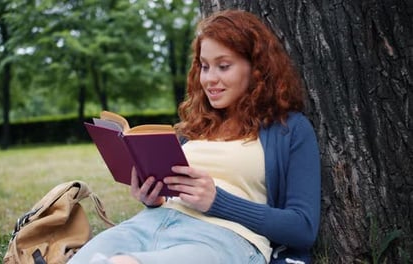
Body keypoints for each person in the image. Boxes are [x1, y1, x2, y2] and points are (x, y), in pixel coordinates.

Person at [68, 9, 321, 264]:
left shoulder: (289, 129)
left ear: (256, 68)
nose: (210, 79)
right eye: (205, 66)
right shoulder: (194, 127)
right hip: (148, 225)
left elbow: (303, 228)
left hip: (222, 238)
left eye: (223, 66)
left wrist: (217, 201)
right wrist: (153, 199)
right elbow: (171, 194)